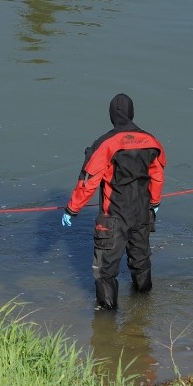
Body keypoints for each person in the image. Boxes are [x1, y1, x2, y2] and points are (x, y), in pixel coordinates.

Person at [61, 94, 166, 311]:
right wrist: (154, 203)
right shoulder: (152, 142)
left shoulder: (105, 144)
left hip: (114, 215)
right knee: (141, 260)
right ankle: (144, 312)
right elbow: (157, 175)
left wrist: (72, 209)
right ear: (132, 113)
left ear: (112, 116)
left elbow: (89, 181)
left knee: (105, 270)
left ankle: (106, 325)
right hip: (142, 213)